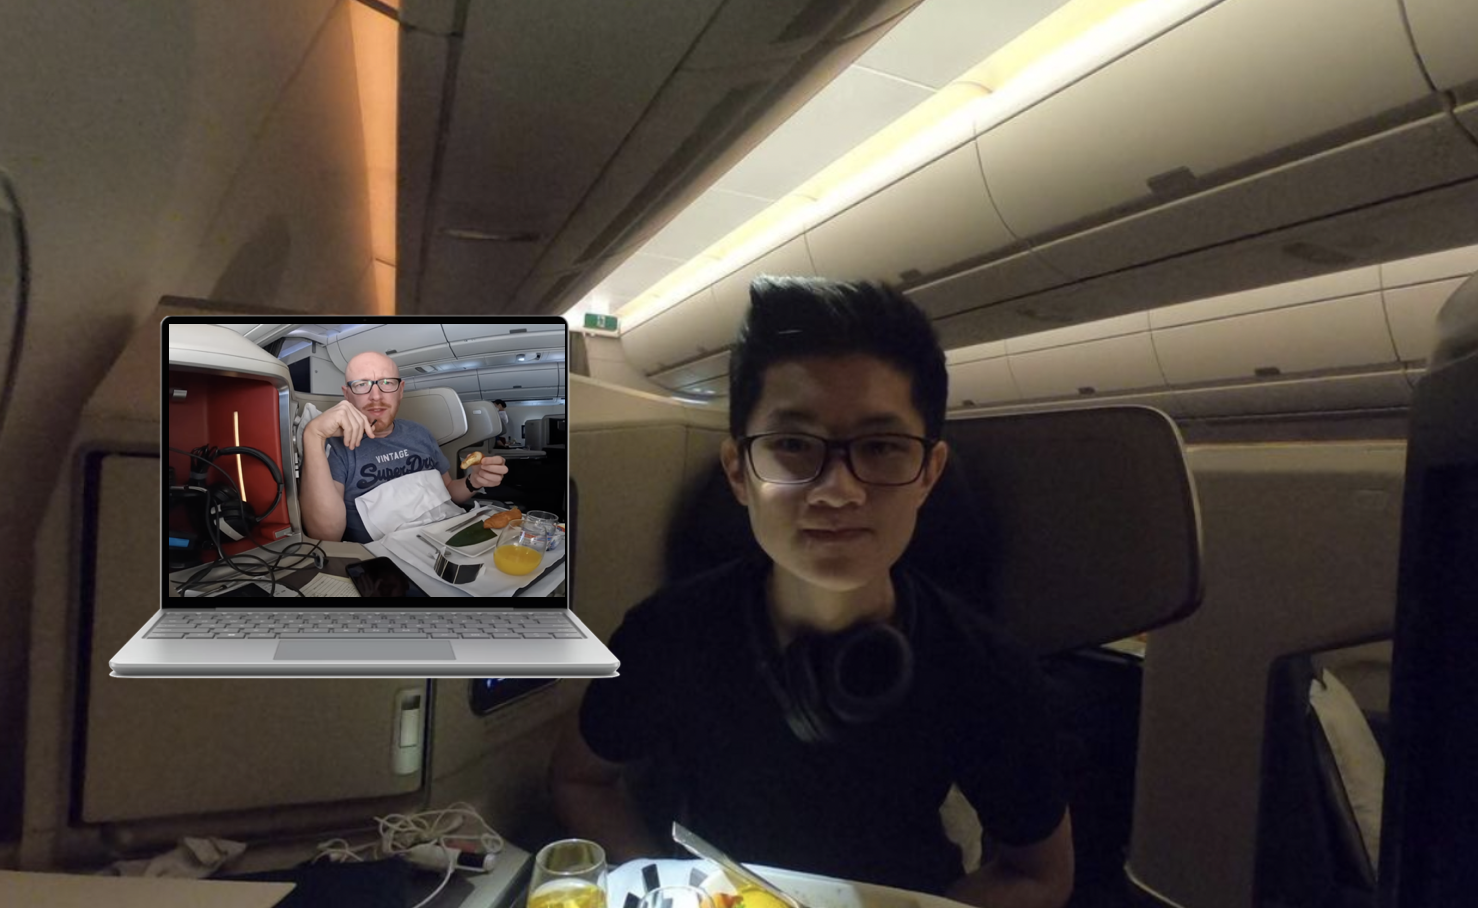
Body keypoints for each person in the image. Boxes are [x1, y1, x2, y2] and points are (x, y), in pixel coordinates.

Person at [549, 278, 1074, 908]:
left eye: (880, 447)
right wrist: (669, 889)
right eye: (794, 445)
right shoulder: (670, 633)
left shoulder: (985, 669)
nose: (837, 491)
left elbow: (1039, 872)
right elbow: (582, 780)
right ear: (739, 472)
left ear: (929, 475)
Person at [299, 351, 508, 543]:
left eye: (387, 383)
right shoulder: (335, 447)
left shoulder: (420, 433)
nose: (376, 396)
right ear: (347, 394)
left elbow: (448, 493)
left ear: (400, 391)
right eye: (362, 384)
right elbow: (325, 537)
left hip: (450, 537)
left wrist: (475, 481)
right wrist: (313, 434)